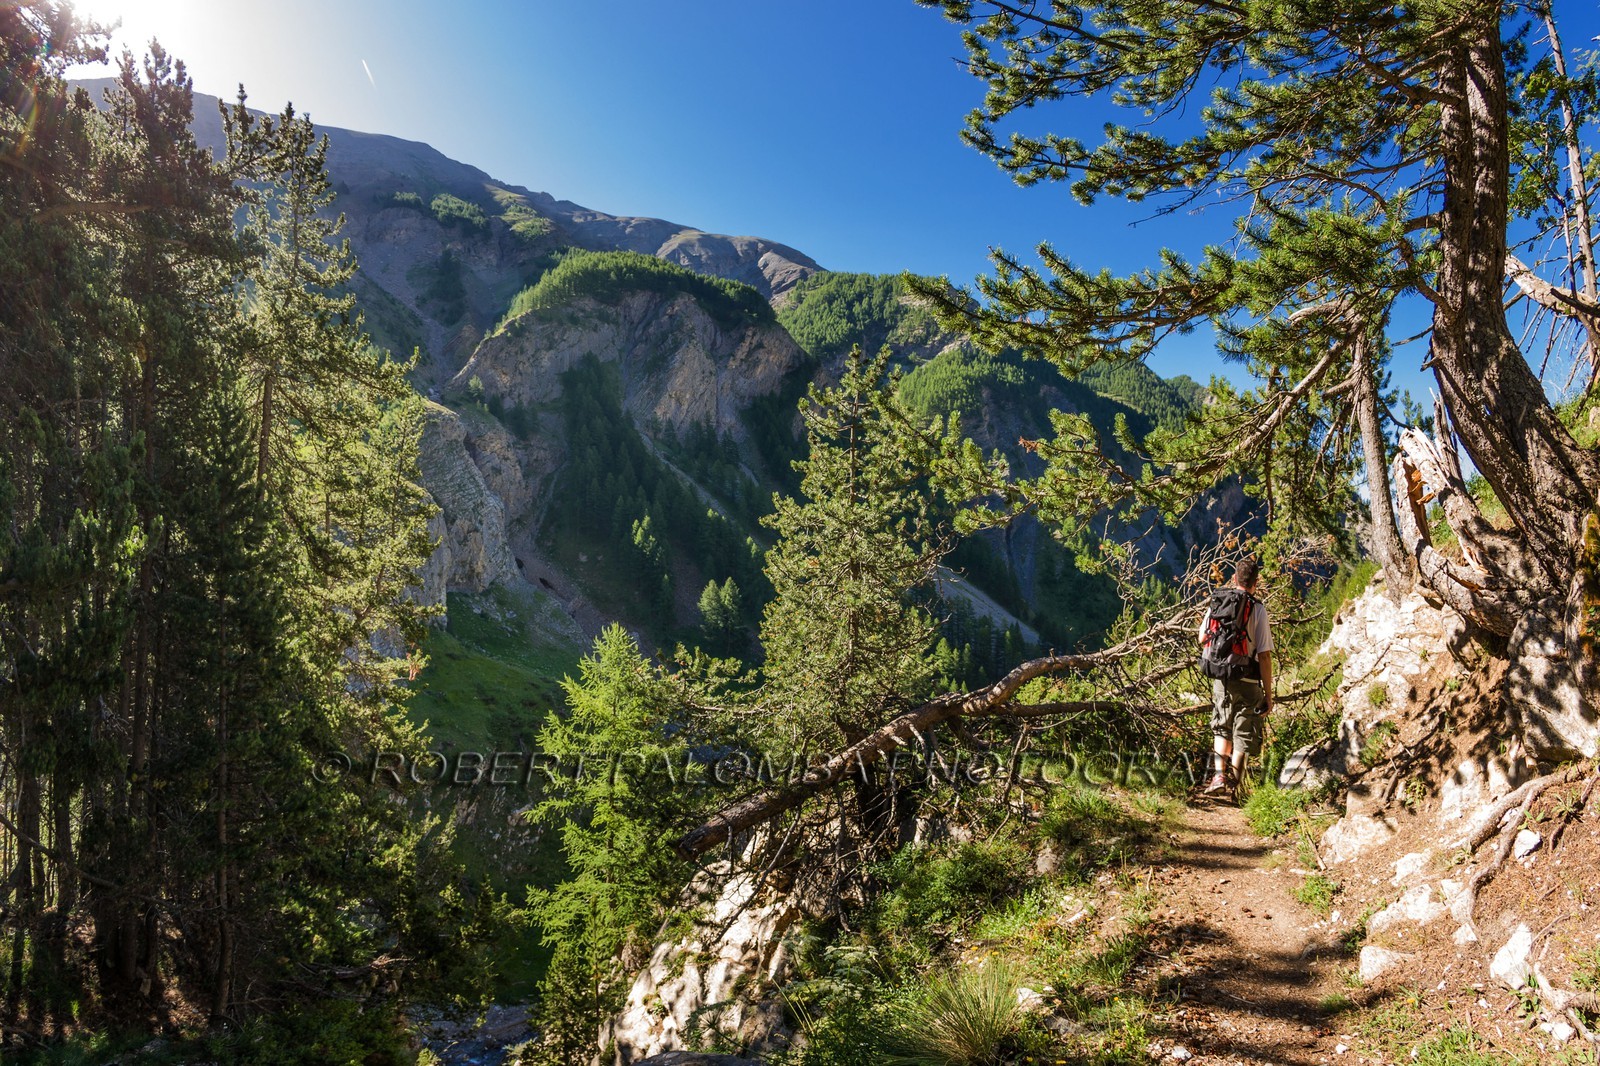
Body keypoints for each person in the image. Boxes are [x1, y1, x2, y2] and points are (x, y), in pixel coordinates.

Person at [1199, 556, 1273, 799]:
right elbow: (1264, 656)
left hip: (1222, 677)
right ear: (1256, 582)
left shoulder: (1218, 602)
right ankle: (1235, 788)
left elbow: (1202, 638)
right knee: (1243, 733)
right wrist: (1268, 695)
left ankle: (1218, 776)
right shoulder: (1258, 609)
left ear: (1234, 579)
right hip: (1249, 681)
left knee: (1221, 727)